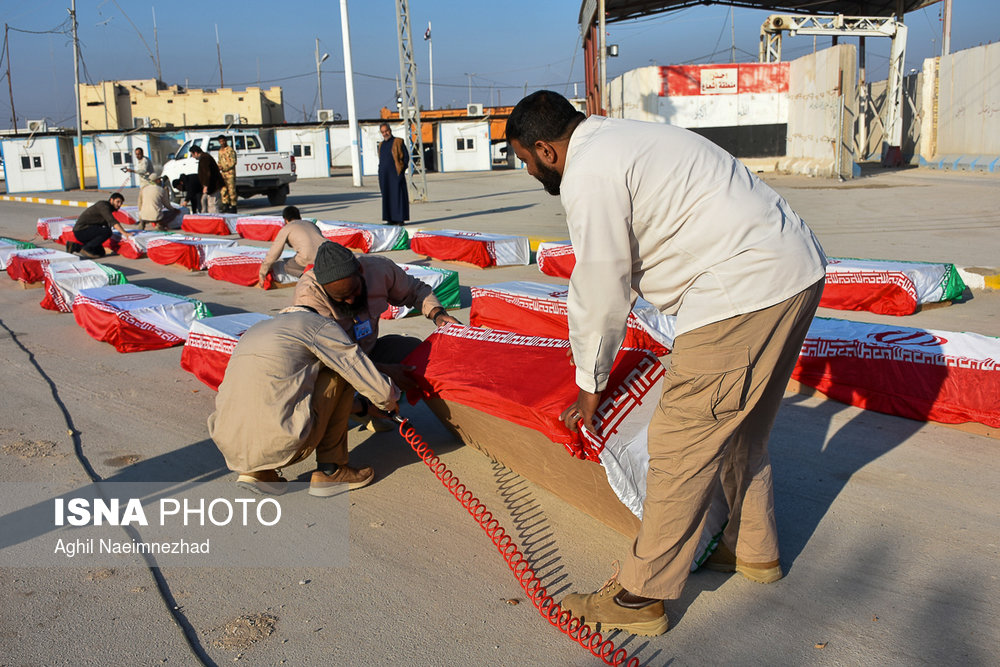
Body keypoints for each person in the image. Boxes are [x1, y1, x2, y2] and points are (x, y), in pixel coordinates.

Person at [505, 90, 827, 636]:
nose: (531, 173)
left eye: (526, 161)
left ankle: (640, 597)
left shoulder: (589, 171)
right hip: (794, 270)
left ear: (545, 149)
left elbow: (602, 283)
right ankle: (753, 552)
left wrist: (591, 383)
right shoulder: (623, 139)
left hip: (741, 290)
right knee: (742, 428)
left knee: (678, 442)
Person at [207, 305, 400, 496]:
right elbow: (354, 366)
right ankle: (331, 470)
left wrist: (364, 407)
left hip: (229, 445)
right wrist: (389, 401)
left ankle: (257, 472)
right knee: (340, 372)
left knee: (267, 387)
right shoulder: (317, 324)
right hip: (282, 437)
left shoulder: (256, 330)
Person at [293, 241, 461, 422]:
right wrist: (383, 371)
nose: (350, 301)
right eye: (340, 298)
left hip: (369, 352)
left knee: (416, 353)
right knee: (326, 395)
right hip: (334, 367)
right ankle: (358, 408)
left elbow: (415, 289)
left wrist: (437, 313)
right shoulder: (309, 295)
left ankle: (372, 406)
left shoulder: (379, 269)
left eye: (354, 291)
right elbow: (329, 359)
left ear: (360, 271)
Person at [258, 206, 325, 287]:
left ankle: (311, 277)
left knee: (288, 266)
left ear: (285, 220)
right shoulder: (311, 223)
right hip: (326, 255)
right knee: (297, 257)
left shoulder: (286, 228)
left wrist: (262, 273)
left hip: (309, 259)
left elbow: (273, 253)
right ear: (299, 216)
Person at [68, 192, 130, 259]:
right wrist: (125, 233)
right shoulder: (104, 206)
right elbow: (112, 221)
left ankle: (74, 246)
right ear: (111, 200)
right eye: (117, 202)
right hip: (81, 231)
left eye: (121, 203)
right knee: (107, 232)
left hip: (87, 231)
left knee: (100, 253)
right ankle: (87, 248)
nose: (119, 205)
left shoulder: (108, 208)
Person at [377, 123, 409, 225]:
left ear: (390, 130)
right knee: (387, 196)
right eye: (383, 132)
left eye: (386, 131)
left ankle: (400, 219)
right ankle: (389, 219)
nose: (385, 133)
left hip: (396, 174)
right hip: (384, 175)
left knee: (398, 196)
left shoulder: (398, 142)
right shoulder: (381, 145)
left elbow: (405, 158)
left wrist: (401, 171)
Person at [189, 145, 224, 214]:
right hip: (210, 186)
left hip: (213, 186)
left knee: (212, 205)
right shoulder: (204, 157)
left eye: (192, 154)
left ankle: (215, 221)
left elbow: (207, 173)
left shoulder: (205, 158)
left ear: (196, 153)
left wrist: (205, 186)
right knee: (204, 202)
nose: (192, 157)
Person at [217, 135, 238, 214]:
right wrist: (219, 167)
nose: (222, 143)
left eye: (223, 141)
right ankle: (225, 205)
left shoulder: (230, 150)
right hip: (223, 174)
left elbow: (233, 162)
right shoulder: (220, 151)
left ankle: (233, 206)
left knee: (231, 190)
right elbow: (219, 161)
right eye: (220, 141)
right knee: (223, 190)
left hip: (230, 174)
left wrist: (225, 168)